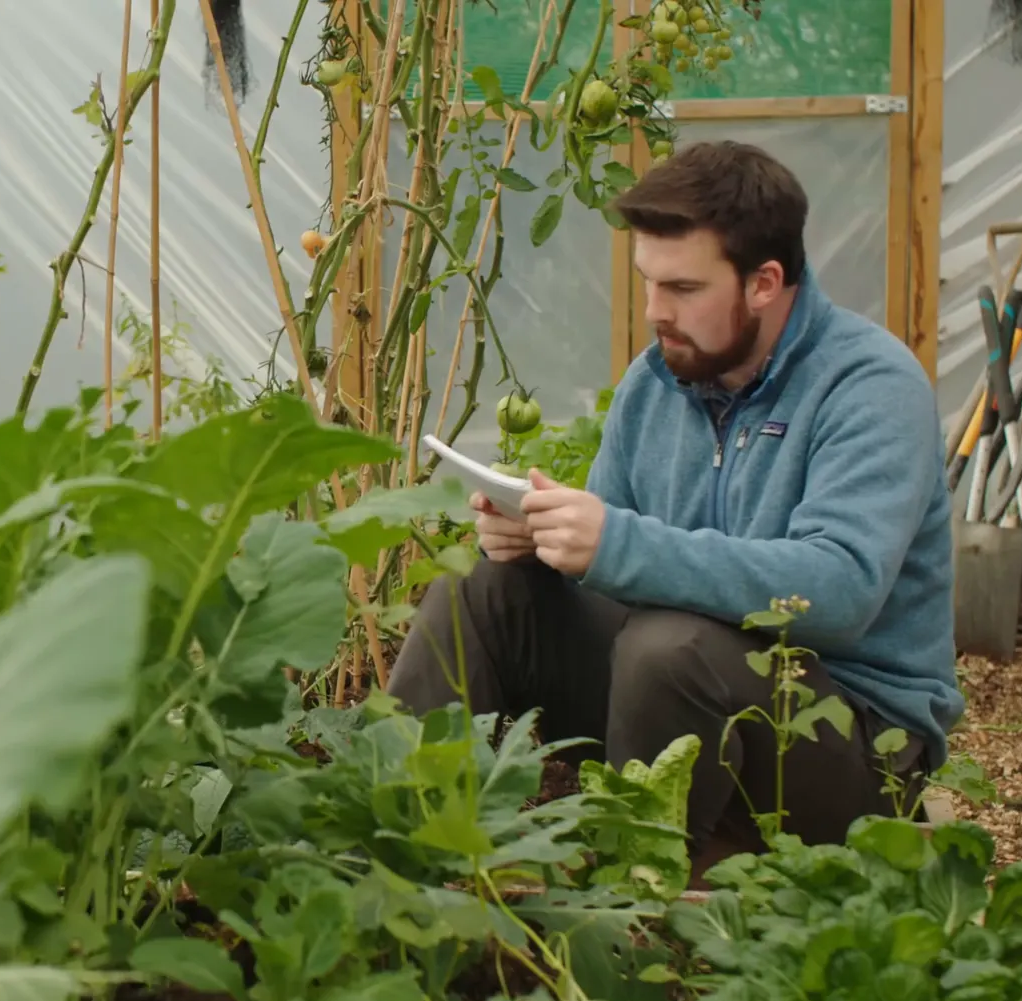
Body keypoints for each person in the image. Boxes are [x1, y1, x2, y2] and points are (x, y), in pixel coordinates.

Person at [386, 139, 965, 880]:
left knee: (672, 647)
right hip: (675, 696)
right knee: (484, 590)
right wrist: (547, 541)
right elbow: (623, 567)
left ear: (765, 282)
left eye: (683, 289)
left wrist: (616, 543)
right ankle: (401, 841)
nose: (655, 312)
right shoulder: (658, 380)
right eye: (648, 283)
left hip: (849, 743)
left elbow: (841, 589)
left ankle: (638, 895)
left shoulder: (869, 386)